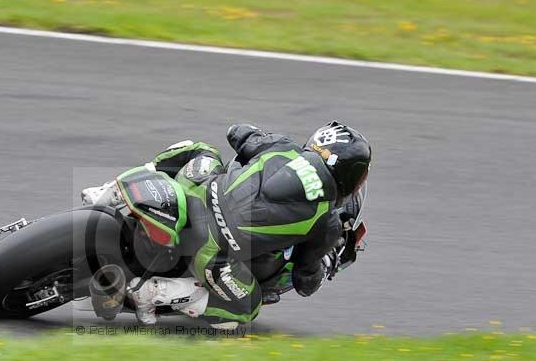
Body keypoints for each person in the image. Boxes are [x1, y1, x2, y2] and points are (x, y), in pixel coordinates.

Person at [82, 122, 371, 328]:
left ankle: (110, 190)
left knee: (201, 150)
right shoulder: (328, 221)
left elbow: (237, 131)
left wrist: (257, 140)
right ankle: (152, 292)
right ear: (348, 176)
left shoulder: (284, 147)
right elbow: (305, 280)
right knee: (247, 307)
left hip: (196, 191)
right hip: (213, 253)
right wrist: (323, 268)